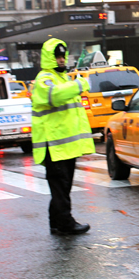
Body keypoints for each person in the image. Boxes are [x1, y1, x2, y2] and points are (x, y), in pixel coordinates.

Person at [31, 38, 95, 235]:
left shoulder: (63, 79)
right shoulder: (44, 79)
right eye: (57, 56)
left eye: (62, 56)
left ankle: (57, 223)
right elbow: (54, 96)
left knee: (62, 188)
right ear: (49, 58)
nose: (61, 59)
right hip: (54, 146)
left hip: (64, 146)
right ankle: (65, 223)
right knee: (61, 188)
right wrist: (79, 84)